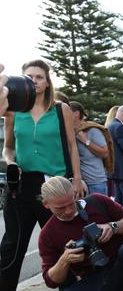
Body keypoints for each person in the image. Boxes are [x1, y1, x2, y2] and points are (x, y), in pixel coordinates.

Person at [1, 59, 84, 291]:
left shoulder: (61, 109)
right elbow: (8, 147)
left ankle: (70, 287)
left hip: (54, 184)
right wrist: (11, 162)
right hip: (21, 183)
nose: (34, 81)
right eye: (29, 77)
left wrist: (76, 178)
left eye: (39, 77)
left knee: (61, 242)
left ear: (47, 82)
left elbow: (72, 146)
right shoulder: (13, 111)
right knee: (11, 245)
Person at [37, 176, 123, 290]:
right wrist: (64, 260)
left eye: (71, 203)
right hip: (92, 277)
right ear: (46, 204)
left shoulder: (96, 202)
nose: (68, 211)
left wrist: (112, 227)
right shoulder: (47, 234)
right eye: (61, 208)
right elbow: (50, 281)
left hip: (120, 266)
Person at [70, 101, 110, 195]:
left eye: (68, 112)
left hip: (95, 182)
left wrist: (86, 141)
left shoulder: (92, 130)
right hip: (78, 183)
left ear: (76, 113)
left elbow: (105, 153)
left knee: (98, 210)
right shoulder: (69, 131)